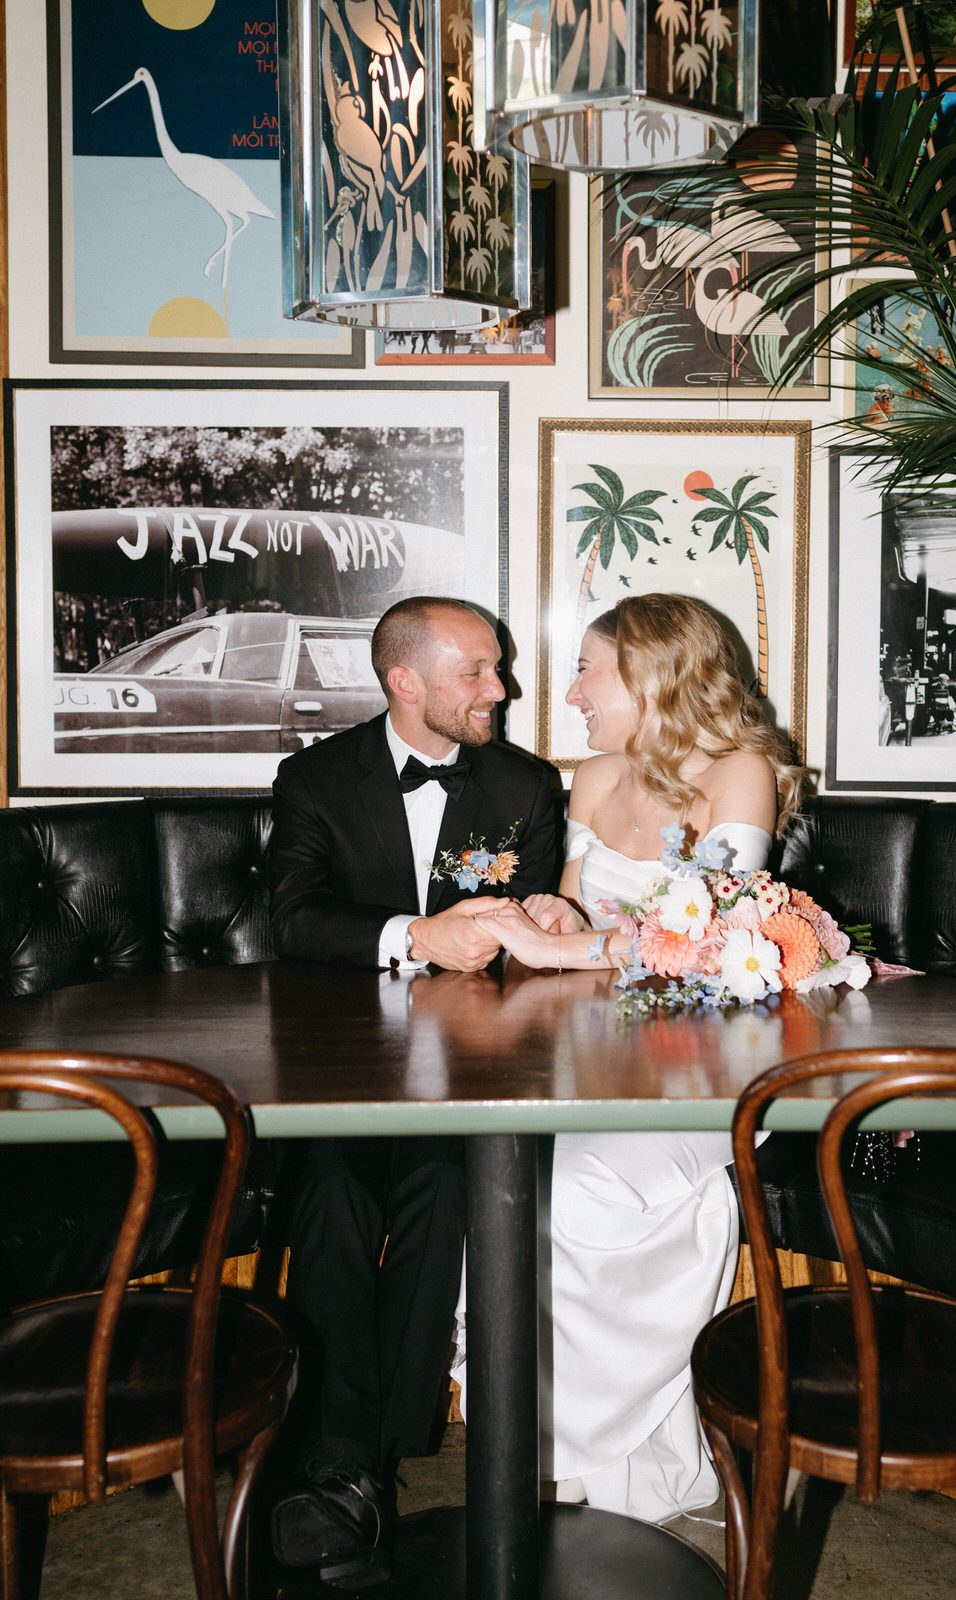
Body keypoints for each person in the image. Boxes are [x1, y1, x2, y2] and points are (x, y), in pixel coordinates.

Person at [473, 593, 805, 1525]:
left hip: (705, 1066)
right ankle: (559, 1450)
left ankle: (586, 1445)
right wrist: (553, 918)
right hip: (591, 1051)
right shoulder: (590, 777)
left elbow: (708, 937)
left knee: (576, 1194)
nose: (570, 693)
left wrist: (560, 951)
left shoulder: (739, 773)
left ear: (653, 677)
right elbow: (581, 919)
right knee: (495, 1184)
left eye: (587, 670)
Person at [267, 596, 559, 1589]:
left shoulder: (524, 784)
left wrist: (538, 923)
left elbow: (530, 938)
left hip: (473, 1065)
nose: (499, 688)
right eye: (476, 670)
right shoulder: (315, 778)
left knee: (444, 1186)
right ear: (404, 681)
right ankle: (344, 1461)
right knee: (331, 1194)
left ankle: (361, 1461)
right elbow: (292, 919)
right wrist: (412, 936)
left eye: (495, 668)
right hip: (341, 1065)